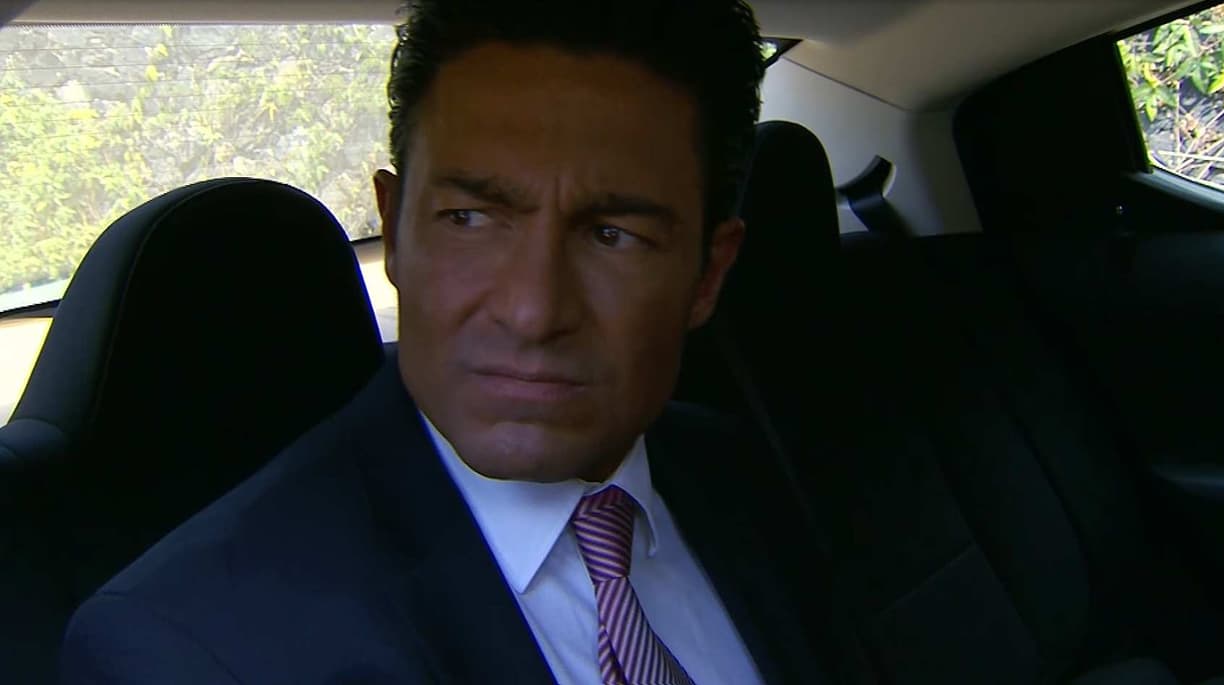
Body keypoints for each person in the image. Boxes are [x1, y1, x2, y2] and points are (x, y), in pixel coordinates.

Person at [59, 1, 846, 683]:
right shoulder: (190, 646)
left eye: (613, 234)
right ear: (395, 230)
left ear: (708, 274)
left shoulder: (752, 480)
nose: (532, 311)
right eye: (469, 219)